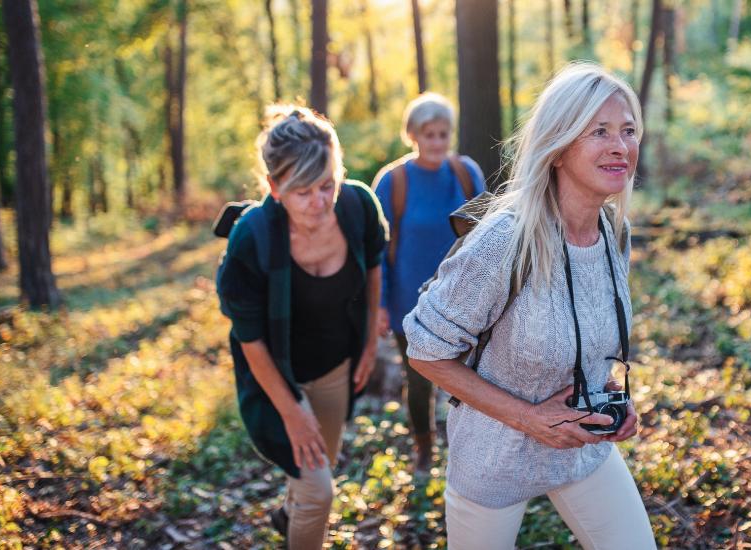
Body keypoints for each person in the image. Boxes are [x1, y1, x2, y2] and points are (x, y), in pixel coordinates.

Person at [402, 64, 657, 549]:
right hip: (492, 462)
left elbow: (587, 332)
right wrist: (528, 417)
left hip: (582, 449)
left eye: (628, 131)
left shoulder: (612, 233)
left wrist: (610, 396)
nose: (620, 146)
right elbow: (422, 348)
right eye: (598, 131)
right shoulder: (505, 240)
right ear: (558, 147)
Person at [216, 105, 387, 549]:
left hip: (335, 364)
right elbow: (248, 338)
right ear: (274, 188)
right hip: (275, 373)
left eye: (327, 184)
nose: (319, 202)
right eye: (302, 192)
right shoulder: (251, 238)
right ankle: (301, 521)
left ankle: (289, 516)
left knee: (318, 464)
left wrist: (369, 344)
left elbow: (372, 270)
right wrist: (293, 412)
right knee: (318, 490)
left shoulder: (358, 206)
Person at [372, 93, 485, 473]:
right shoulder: (393, 182)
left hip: (464, 299)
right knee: (420, 380)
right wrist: (380, 304)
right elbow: (378, 249)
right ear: (413, 135)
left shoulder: (466, 173)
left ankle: (467, 452)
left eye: (443, 134)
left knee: (470, 380)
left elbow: (489, 236)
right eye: (429, 134)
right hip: (411, 302)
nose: (437, 142)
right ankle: (424, 449)